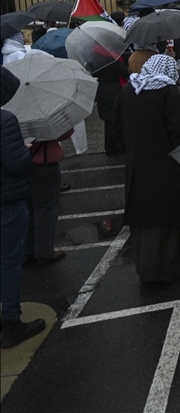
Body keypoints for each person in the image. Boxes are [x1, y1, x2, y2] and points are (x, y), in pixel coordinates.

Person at [113, 54, 180, 283]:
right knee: (166, 216)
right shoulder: (168, 92)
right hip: (165, 164)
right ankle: (170, 267)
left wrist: (130, 150)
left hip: (137, 165)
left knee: (143, 215)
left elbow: (116, 127)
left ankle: (146, 268)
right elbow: (177, 131)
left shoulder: (129, 89)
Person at [1, 67, 47, 349]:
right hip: (6, 201)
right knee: (8, 260)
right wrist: (25, 148)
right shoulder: (5, 120)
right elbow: (16, 164)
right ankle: (11, 321)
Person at [25, 128, 74, 267]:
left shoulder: (14, 111)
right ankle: (44, 253)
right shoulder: (45, 113)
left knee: (28, 208)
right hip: (45, 162)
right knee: (46, 209)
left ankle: (27, 251)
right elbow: (65, 132)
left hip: (23, 163)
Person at [93, 53, 130, 155]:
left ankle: (109, 147)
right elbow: (125, 71)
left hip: (102, 90)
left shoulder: (95, 57)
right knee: (115, 119)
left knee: (108, 121)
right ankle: (115, 147)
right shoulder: (110, 58)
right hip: (113, 91)